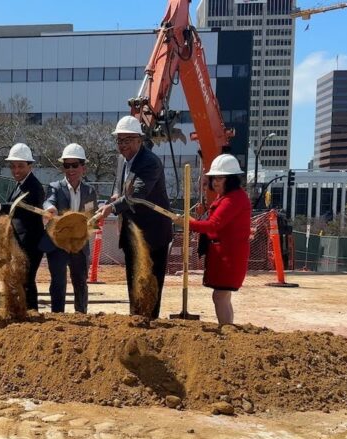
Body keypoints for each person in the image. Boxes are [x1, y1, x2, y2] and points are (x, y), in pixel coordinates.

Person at [96, 116, 172, 318]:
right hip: (131, 233)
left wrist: (112, 208)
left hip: (153, 235)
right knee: (133, 281)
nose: (123, 145)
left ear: (139, 139)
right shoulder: (122, 160)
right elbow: (118, 186)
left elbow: (137, 195)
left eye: (128, 140)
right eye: (120, 140)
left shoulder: (150, 163)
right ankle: (135, 321)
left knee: (150, 284)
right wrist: (114, 197)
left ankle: (150, 325)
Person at [181, 154, 253, 325]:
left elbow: (213, 225)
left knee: (220, 296)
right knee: (223, 296)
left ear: (231, 179)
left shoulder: (233, 199)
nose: (215, 183)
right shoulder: (228, 197)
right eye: (214, 179)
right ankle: (228, 329)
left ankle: (226, 330)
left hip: (229, 256)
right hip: (225, 255)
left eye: (220, 178)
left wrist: (189, 223)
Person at [0, 143, 46, 311]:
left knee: (26, 280)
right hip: (19, 243)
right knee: (20, 280)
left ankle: (32, 313)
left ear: (30, 166)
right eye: (13, 166)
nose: (16, 170)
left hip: (30, 244)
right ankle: (23, 313)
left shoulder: (33, 186)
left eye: (20, 166)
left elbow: (19, 208)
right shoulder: (19, 184)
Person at [41, 143, 98, 313]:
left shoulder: (90, 191)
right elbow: (49, 200)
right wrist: (50, 208)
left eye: (75, 165)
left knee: (80, 281)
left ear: (83, 168)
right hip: (58, 245)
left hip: (79, 245)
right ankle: (57, 316)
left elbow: (91, 217)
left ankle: (81, 315)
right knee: (58, 282)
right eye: (67, 165)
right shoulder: (55, 187)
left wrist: (90, 224)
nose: (71, 169)